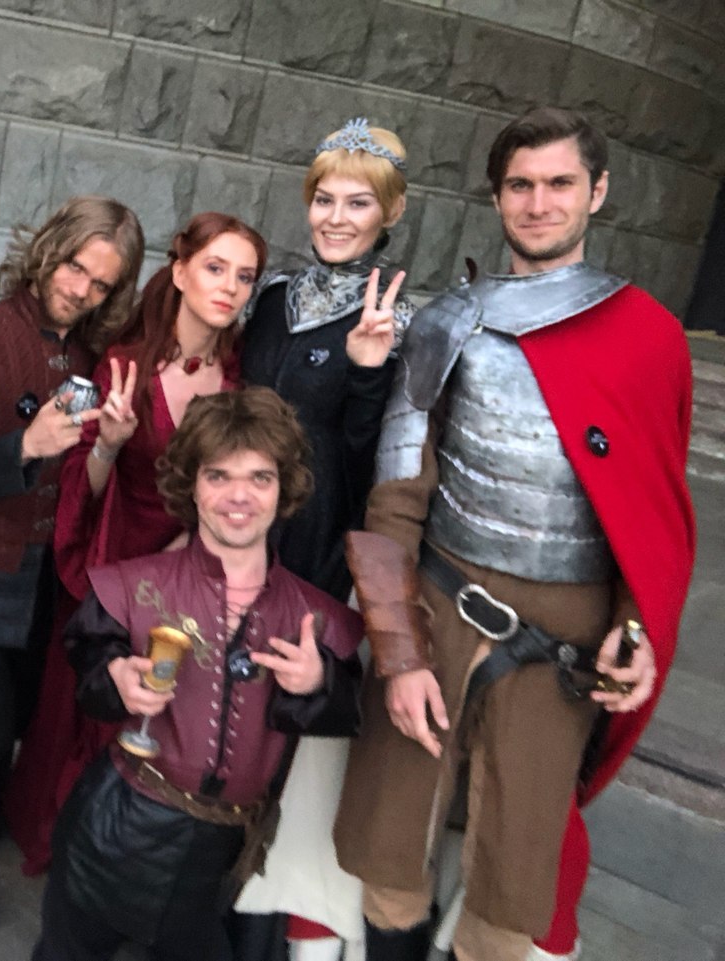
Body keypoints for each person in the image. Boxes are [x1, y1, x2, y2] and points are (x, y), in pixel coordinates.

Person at [332, 106, 695, 961]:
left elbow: (651, 511)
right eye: (520, 185)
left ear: (597, 192)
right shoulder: (444, 323)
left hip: (562, 641)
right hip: (438, 605)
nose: (538, 203)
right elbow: (395, 497)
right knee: (390, 848)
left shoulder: (650, 336)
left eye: (559, 183)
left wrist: (636, 626)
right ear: (496, 196)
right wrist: (399, 652)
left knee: (514, 879)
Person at [31, 387, 364, 961]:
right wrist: (114, 679)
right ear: (191, 485)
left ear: (284, 488)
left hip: (218, 856)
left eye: (260, 478)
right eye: (218, 476)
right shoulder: (131, 586)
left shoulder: (318, 619)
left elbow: (352, 714)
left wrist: (318, 684)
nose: (240, 497)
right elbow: (87, 672)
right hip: (114, 830)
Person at [4, 212, 266, 875]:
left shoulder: (239, 376)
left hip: (191, 566)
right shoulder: (125, 364)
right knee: (83, 700)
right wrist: (111, 445)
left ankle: (125, 854)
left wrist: (200, 540)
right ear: (179, 272)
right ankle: (58, 835)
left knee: (159, 709)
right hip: (114, 553)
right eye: (215, 268)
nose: (229, 287)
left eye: (245, 277)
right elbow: (80, 481)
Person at [0, 196, 144, 930]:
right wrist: (26, 448)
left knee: (5, 716)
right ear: (48, 251)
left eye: (101, 283)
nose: (82, 290)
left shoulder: (87, 353)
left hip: (41, 573)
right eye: (75, 267)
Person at [232, 119, 413, 961]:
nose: (336, 218)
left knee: (278, 723)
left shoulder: (395, 316)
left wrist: (371, 371)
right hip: (234, 521)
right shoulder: (273, 296)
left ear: (389, 214)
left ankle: (263, 926)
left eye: (358, 203)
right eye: (325, 199)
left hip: (309, 540)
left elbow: (377, 461)